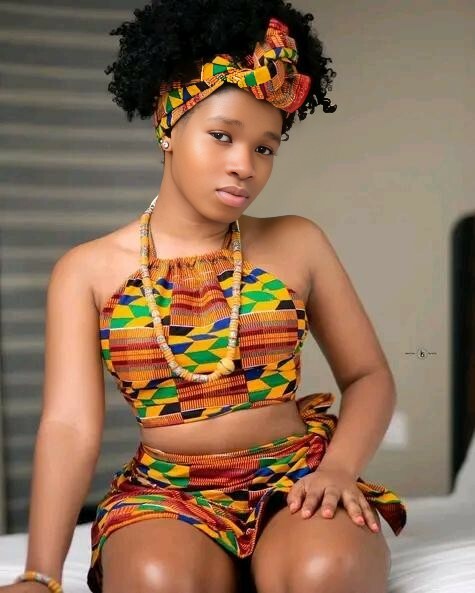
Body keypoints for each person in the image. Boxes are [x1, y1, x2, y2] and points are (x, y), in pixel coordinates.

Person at [3, 1, 407, 592]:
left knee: (325, 572)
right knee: (157, 581)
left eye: (265, 148)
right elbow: (68, 426)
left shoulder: (298, 242)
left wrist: (340, 469)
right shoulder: (85, 272)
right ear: (168, 125)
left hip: (296, 480)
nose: (244, 165)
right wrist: (41, 574)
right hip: (168, 494)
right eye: (222, 136)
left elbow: (369, 376)